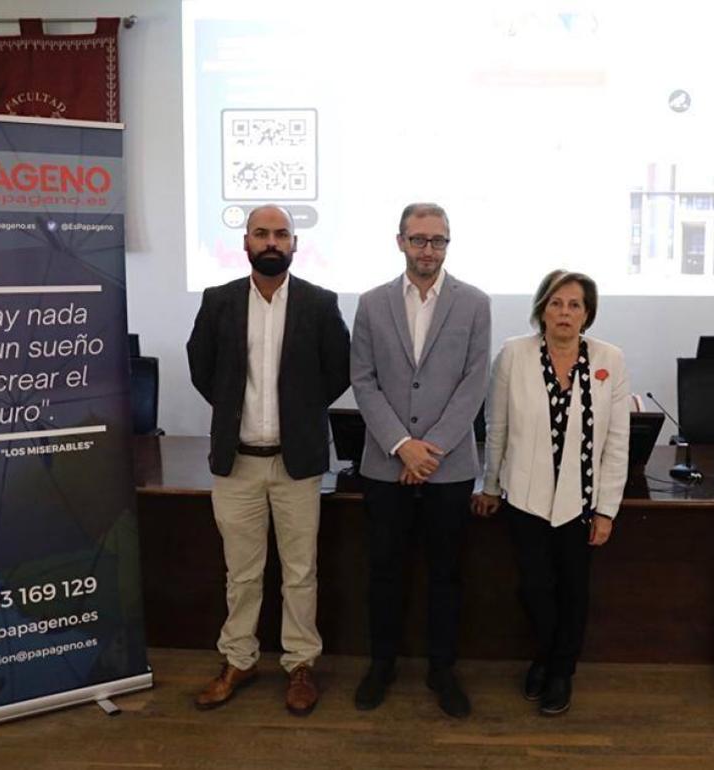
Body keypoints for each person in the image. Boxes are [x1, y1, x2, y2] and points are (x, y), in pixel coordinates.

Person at [186, 204, 350, 716]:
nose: (272, 241)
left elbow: (337, 372)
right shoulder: (218, 302)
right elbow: (202, 368)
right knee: (242, 572)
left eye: (282, 233)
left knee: (300, 571)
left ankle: (300, 664)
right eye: (262, 233)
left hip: (297, 463)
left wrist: (300, 413)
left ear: (296, 244)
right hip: (237, 464)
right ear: (247, 243)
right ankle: (239, 658)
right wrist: (236, 407)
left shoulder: (320, 304)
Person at [350, 202, 491, 718]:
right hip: (385, 466)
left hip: (448, 470)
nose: (428, 249)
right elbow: (363, 380)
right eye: (419, 239)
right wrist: (400, 445)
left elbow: (474, 383)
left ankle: (441, 670)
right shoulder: (371, 303)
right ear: (400, 242)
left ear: (447, 244)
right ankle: (381, 665)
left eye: (438, 240)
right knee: (384, 572)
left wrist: (429, 450)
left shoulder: (475, 304)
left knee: (445, 575)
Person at [471, 269, 630, 716]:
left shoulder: (609, 360)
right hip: (525, 499)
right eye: (556, 303)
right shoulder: (514, 354)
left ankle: (561, 671)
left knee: (574, 591)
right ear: (542, 309)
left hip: (581, 503)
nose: (565, 312)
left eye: (575, 305)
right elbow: (497, 425)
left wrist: (607, 511)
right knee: (535, 589)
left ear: (587, 314)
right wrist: (490, 485)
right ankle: (544, 655)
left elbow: (617, 441)